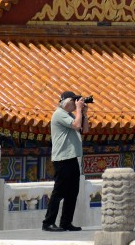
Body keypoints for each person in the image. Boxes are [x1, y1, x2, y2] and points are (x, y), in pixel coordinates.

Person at [42, 91, 90, 232]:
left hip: (72, 157)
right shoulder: (59, 113)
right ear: (66, 101)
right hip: (62, 158)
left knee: (72, 192)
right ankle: (48, 222)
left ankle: (66, 222)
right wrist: (80, 110)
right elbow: (76, 126)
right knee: (59, 192)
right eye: (74, 100)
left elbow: (84, 129)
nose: (76, 103)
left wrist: (84, 113)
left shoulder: (70, 115)